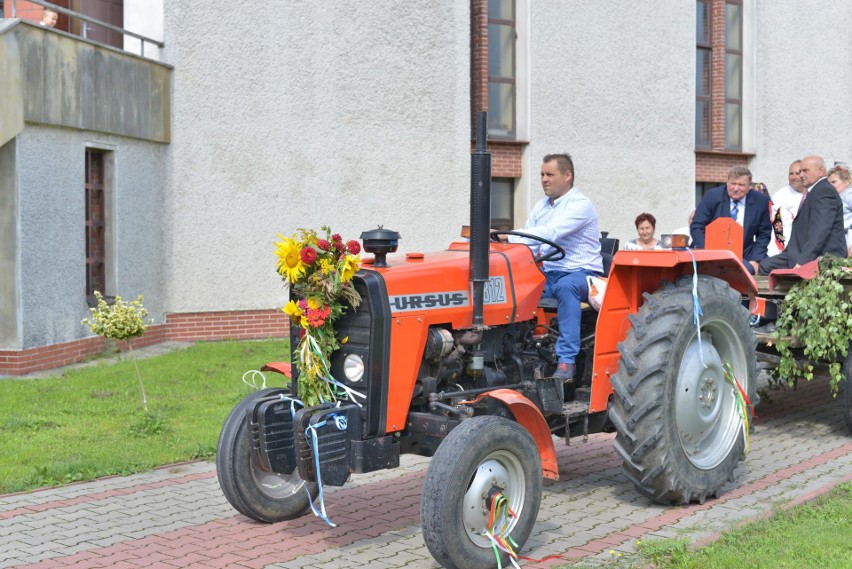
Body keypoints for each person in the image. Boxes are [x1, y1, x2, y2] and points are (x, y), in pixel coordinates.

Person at [507, 153, 603, 382]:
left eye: (550, 174)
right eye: (541, 174)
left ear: (567, 176)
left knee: (565, 287)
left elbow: (549, 233)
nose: (544, 179)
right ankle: (513, 352)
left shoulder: (580, 205)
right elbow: (529, 239)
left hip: (582, 274)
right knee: (515, 288)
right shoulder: (542, 206)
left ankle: (566, 361)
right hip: (550, 273)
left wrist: (507, 236)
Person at [758, 155, 848, 274]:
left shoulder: (824, 191)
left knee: (767, 267)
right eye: (800, 171)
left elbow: (820, 231)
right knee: (765, 266)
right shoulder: (814, 191)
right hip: (801, 253)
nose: (801, 175)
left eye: (805, 171)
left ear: (820, 171)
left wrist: (802, 263)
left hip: (822, 258)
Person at [690, 166, 772, 274]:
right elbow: (697, 226)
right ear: (727, 182)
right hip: (710, 250)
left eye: (741, 185)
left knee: (757, 269)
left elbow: (764, 233)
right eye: (733, 184)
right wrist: (707, 252)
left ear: (749, 186)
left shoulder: (760, 201)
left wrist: (755, 259)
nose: (736, 188)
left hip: (744, 254)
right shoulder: (712, 196)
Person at [768, 160, 807, 256]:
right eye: (791, 174)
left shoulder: (811, 194)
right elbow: (778, 228)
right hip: (785, 251)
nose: (794, 177)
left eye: (797, 173)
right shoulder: (780, 196)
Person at [827, 163, 852, 254]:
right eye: (828, 183)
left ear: (846, 181)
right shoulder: (837, 196)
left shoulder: (848, 194)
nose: (830, 185)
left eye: (833, 182)